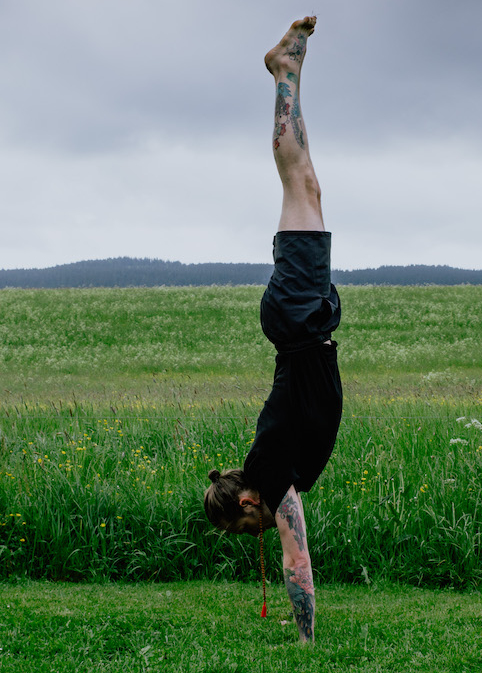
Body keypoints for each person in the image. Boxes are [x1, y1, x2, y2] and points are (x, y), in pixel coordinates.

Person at [203, 16, 342, 644]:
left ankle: (284, 70)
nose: (256, 536)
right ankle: (290, 71)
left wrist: (306, 635)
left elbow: (297, 558)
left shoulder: (273, 475)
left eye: (246, 530)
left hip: (297, 318)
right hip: (304, 321)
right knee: (307, 182)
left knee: (297, 183)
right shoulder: (271, 469)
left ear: (246, 505)